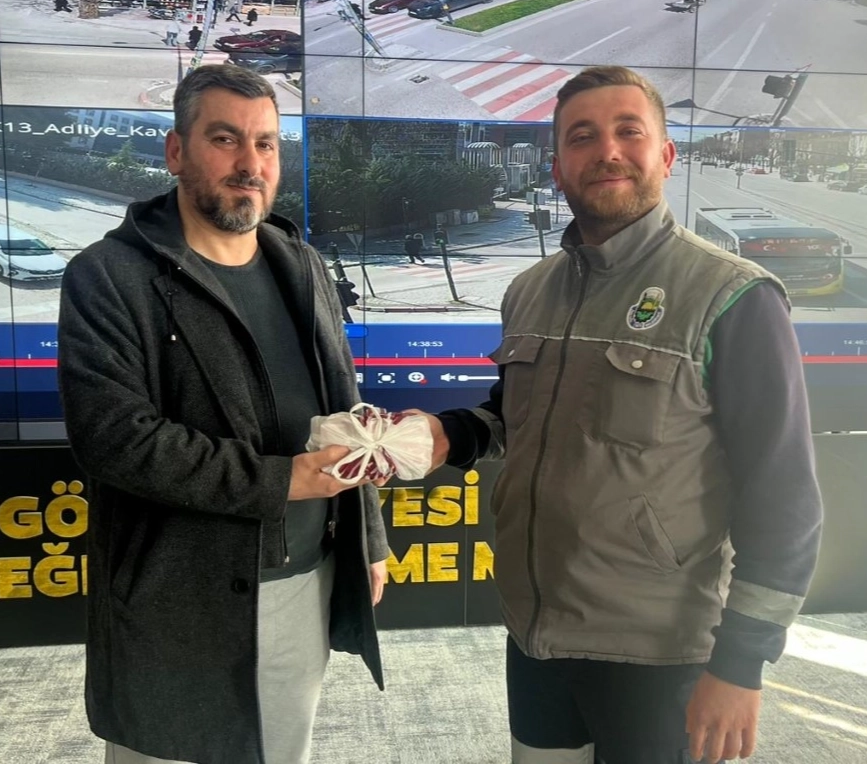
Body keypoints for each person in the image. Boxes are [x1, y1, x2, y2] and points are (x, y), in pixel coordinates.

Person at [419, 65, 823, 764]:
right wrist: (446, 434)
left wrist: (740, 664)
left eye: (628, 131)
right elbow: (513, 418)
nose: (606, 151)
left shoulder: (733, 295)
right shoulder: (529, 290)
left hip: (661, 655)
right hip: (536, 637)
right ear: (557, 167)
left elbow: (784, 496)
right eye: (581, 137)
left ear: (665, 155)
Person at [57, 64, 390, 764]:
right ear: (176, 151)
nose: (251, 163)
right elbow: (115, 439)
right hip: (178, 603)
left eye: (266, 143)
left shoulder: (302, 263)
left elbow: (343, 403)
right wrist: (285, 480)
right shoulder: (110, 276)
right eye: (225, 139)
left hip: (305, 582)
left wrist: (369, 536)